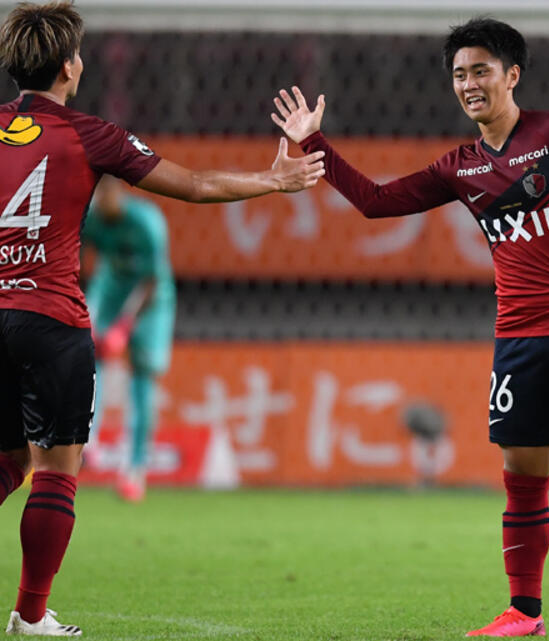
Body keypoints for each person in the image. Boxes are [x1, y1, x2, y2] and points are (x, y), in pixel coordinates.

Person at [271, 16, 549, 640]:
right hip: (517, 339)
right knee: (523, 476)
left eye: (480, 71)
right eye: (459, 74)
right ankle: (524, 611)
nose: (469, 84)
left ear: (512, 75)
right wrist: (313, 143)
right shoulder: (460, 167)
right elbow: (376, 202)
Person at [0, 2, 323, 636]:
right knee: (55, 469)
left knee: (11, 455)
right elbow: (196, 185)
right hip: (51, 318)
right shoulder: (91, 134)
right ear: (69, 66)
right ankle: (31, 615)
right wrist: (273, 180)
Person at [82, 176, 176, 503]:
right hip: (111, 290)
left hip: (150, 302)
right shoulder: (91, 219)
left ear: (117, 192)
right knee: (86, 354)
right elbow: (78, 259)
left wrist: (123, 327)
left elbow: (152, 281)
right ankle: (87, 439)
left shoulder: (147, 223)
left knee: (142, 377)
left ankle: (135, 469)